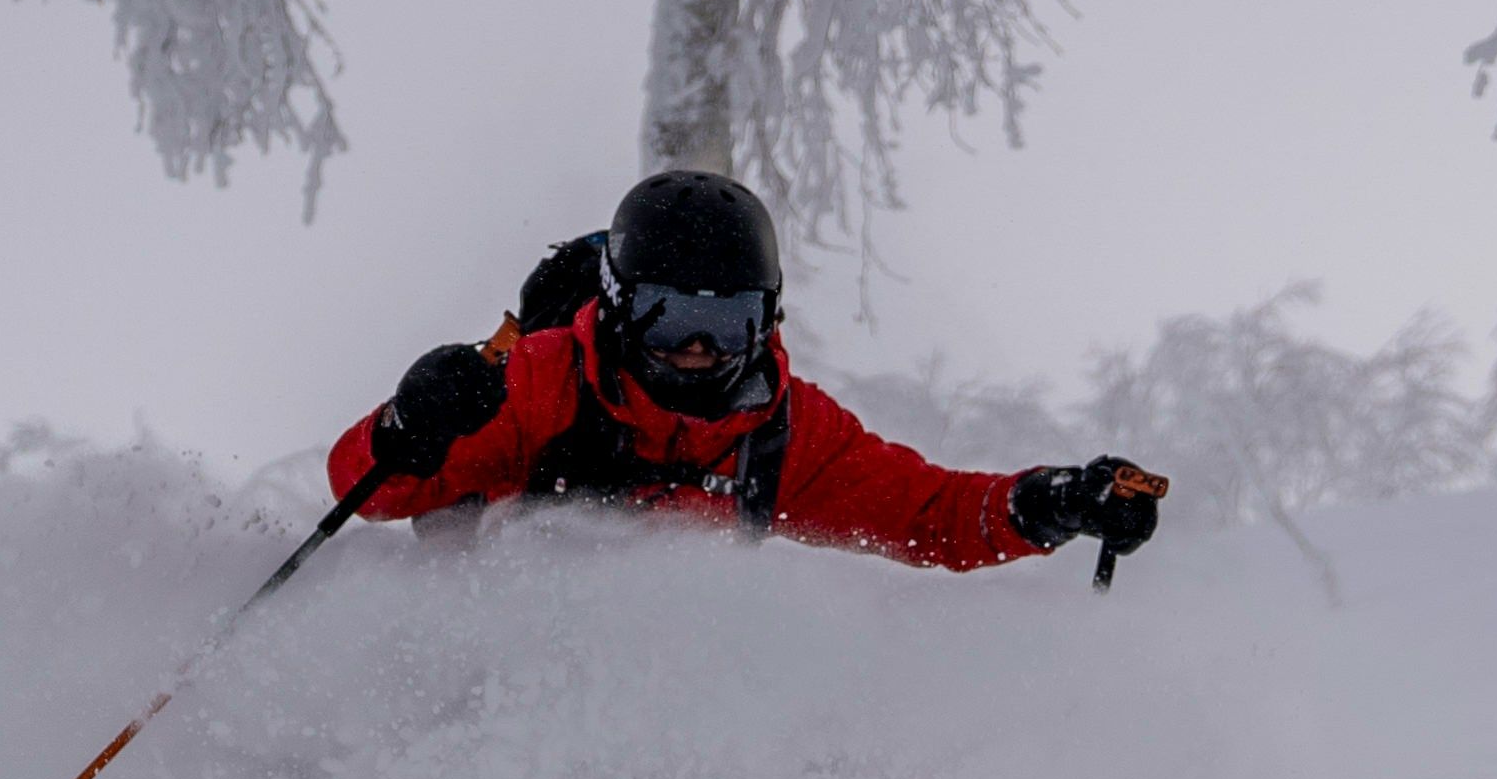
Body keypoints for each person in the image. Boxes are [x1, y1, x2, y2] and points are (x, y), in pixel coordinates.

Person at [329, 169, 1165, 576]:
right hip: (471, 651)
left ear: (767, 318)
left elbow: (934, 515)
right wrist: (415, 423)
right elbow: (366, 489)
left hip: (655, 690)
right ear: (619, 308)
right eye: (668, 315)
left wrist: (1051, 503)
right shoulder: (542, 377)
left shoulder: (783, 431)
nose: (698, 348)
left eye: (728, 321)